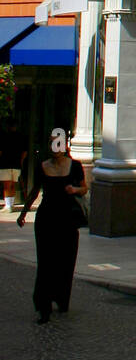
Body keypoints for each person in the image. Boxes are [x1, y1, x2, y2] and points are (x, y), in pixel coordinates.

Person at [16, 128, 87, 323]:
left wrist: (74, 189)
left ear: (65, 145)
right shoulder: (42, 166)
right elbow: (34, 191)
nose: (55, 146)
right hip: (47, 218)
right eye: (52, 142)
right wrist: (23, 213)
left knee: (65, 260)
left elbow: (84, 188)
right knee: (46, 262)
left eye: (59, 142)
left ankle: (62, 298)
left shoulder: (75, 166)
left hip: (67, 219)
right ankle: (43, 306)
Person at [0, 124, 26, 210]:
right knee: (13, 185)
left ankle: (8, 205)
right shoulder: (20, 137)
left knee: (7, 185)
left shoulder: (3, 137)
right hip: (16, 164)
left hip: (5, 163)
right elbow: (24, 152)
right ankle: (11, 204)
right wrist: (21, 161)